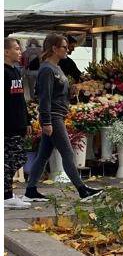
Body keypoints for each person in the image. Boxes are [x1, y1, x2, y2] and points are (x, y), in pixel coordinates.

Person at [23, 33, 101, 202]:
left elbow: (57, 94)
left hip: (57, 113)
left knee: (43, 155)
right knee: (67, 153)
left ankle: (31, 189)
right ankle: (82, 189)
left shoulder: (56, 68)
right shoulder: (47, 69)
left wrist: (70, 91)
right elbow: (44, 98)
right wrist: (47, 121)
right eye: (64, 47)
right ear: (54, 48)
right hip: (53, 116)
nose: (68, 50)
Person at [5, 37, 32, 208]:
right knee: (8, 161)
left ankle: (8, 193)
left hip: (18, 125)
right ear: (5, 51)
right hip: (8, 126)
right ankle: (6, 196)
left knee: (17, 159)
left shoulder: (15, 71)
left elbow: (20, 100)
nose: (20, 52)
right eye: (16, 48)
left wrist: (27, 120)